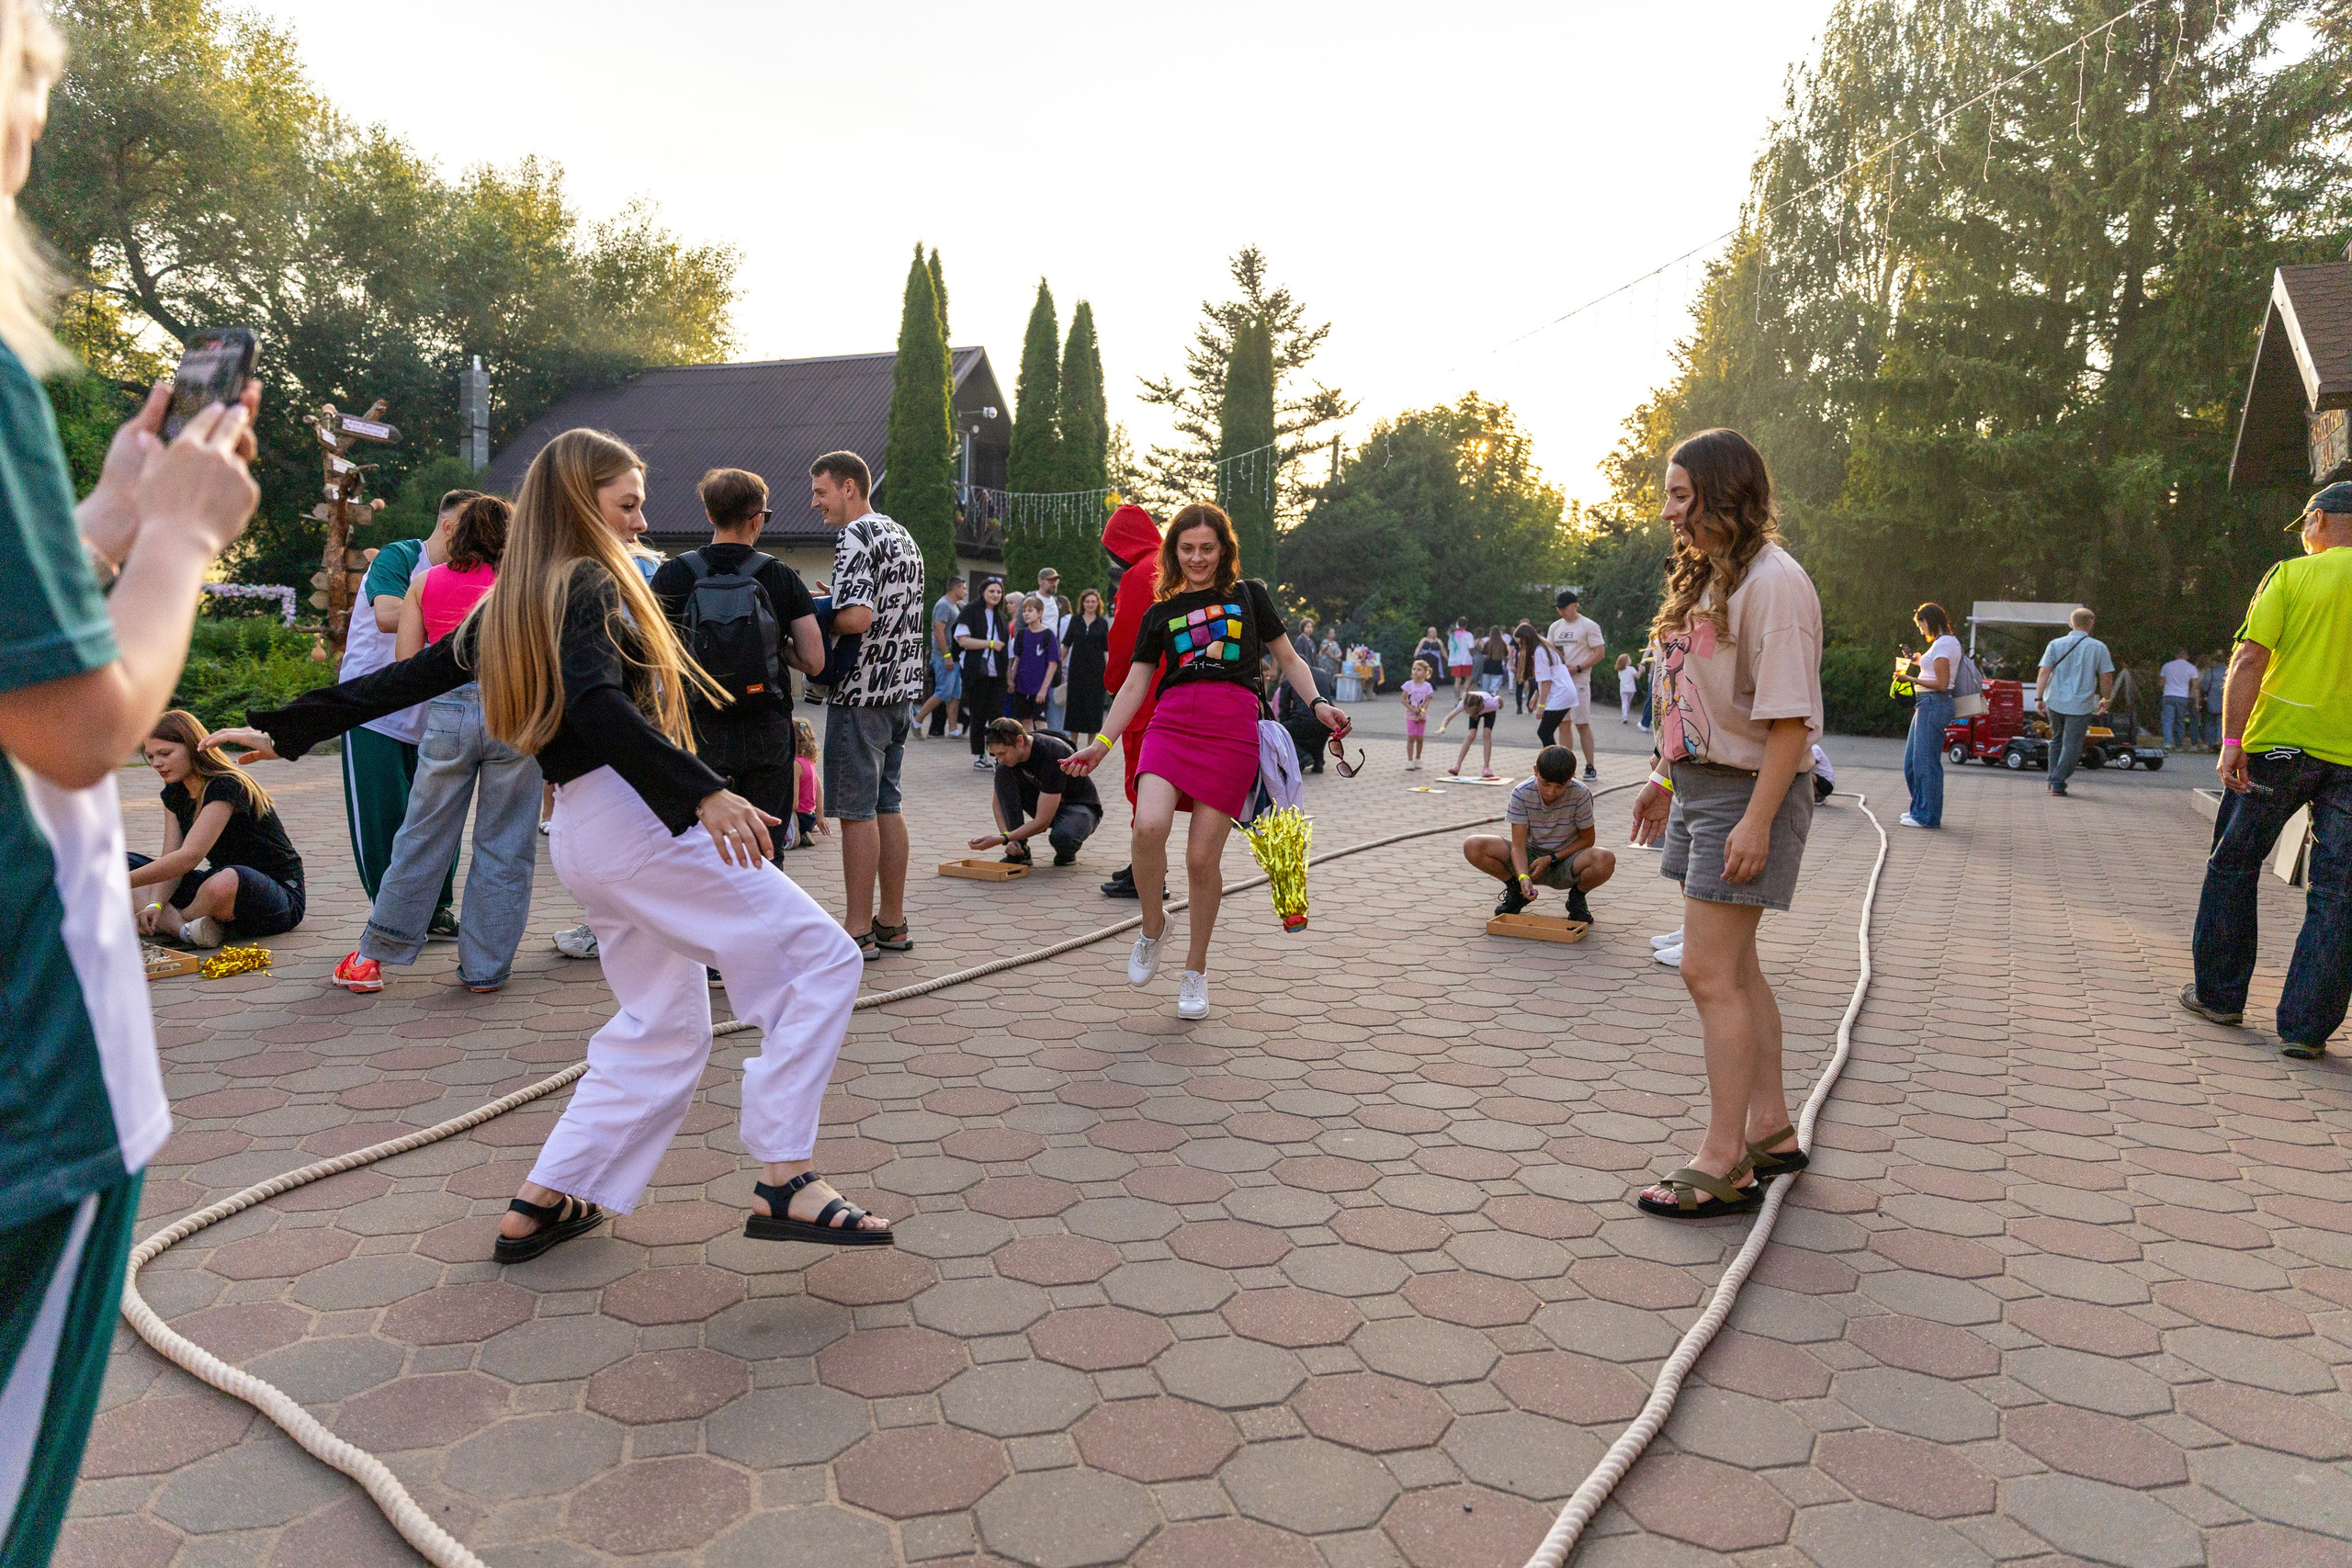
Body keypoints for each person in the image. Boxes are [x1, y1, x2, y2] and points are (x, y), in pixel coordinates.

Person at [210, 428, 890, 1263]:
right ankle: (787, 1176)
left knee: (663, 1027)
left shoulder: (523, 595)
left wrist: (285, 729)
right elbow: (598, 704)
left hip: (587, 830)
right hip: (638, 819)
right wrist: (704, 791)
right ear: (579, 502)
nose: (642, 523)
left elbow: (409, 677)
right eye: (627, 504)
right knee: (825, 961)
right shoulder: (587, 583)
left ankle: (544, 1199)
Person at [0, 5, 266, 1544]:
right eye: (30, 91)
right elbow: (84, 727)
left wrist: (96, 521)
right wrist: (178, 539)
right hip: (31, 1068)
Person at [1629, 428, 1825, 1220]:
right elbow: (1696, 695)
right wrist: (1661, 776)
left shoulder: (1775, 584)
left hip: (1749, 795)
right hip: (1703, 786)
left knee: (1707, 973)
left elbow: (1788, 722)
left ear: (1725, 492)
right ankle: (1770, 1129)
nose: (1670, 511)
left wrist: (1755, 823)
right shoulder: (1711, 574)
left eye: (1682, 495)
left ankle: (1724, 1162)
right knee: (1735, 970)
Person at [1064, 502, 1343, 1018]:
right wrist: (1100, 744)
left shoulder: (1250, 596)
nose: (1197, 558)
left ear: (1224, 550)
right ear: (1174, 551)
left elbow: (1289, 659)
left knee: (1200, 861)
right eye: (1187, 548)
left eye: (1207, 548)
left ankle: (1195, 971)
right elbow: (1135, 683)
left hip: (1231, 730)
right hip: (1171, 725)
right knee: (1147, 827)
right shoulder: (1159, 611)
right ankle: (1154, 925)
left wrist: (1319, 704)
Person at [328, 496, 537, 993]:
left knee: (419, 836)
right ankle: (485, 971)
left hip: (446, 714)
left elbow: (409, 667)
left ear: (457, 533)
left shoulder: (426, 582)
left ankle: (374, 957)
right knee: (505, 846)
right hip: (516, 712)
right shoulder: (525, 586)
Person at [2181, 481, 2352, 1060]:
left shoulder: (2291, 576)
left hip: (2276, 749)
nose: (2303, 535)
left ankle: (2221, 996)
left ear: (2322, 520)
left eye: (2305, 523)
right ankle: (2305, 1031)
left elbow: (2250, 658)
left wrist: (2232, 740)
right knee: (2340, 893)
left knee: (2234, 863)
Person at [651, 468, 821, 863]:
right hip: (767, 727)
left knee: (702, 848)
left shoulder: (673, 574)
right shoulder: (779, 575)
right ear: (757, 518)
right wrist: (777, 653)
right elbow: (814, 660)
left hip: (698, 727)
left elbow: (651, 654)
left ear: (709, 515)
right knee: (765, 847)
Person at [340, 489, 470, 940]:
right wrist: (464, 608)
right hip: (376, 710)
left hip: (437, 711)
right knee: (383, 818)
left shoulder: (467, 572)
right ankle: (390, 915)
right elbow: (389, 615)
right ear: (451, 527)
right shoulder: (399, 557)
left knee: (438, 814)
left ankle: (435, 910)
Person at [811, 450, 925, 959]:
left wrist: (815, 613)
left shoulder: (855, 535)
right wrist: (834, 600)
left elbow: (856, 618)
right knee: (888, 805)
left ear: (850, 488)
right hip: (900, 692)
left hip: (861, 693)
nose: (815, 503)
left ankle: (856, 928)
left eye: (822, 491)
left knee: (857, 813)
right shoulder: (899, 533)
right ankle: (892, 922)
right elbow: (883, 607)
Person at [130, 709, 304, 949]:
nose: (157, 763)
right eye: (150, 756)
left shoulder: (227, 785)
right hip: (215, 886)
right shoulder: (174, 793)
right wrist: (154, 904)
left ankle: (179, 924)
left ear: (192, 747)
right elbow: (171, 860)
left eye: (165, 753)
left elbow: (189, 857)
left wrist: (118, 884)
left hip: (272, 894)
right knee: (122, 863)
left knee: (225, 881)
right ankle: (188, 930)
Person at [1465, 745, 1615, 925]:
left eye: (1560, 786)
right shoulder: (1522, 792)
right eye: (1545, 784)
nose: (1551, 792)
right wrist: (1522, 877)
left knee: (1604, 858)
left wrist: (1551, 858)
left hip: (1566, 860)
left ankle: (1577, 898)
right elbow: (1518, 846)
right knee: (1473, 845)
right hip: (1529, 858)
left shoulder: (1580, 793)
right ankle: (1516, 891)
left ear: (1571, 778)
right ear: (1535, 771)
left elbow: (1587, 839)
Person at [1099, 503, 1165, 899]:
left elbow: (1124, 638)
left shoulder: (1139, 575)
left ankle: (1146, 873)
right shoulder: (1170, 563)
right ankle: (1148, 868)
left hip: (1145, 693)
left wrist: (1113, 684)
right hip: (1178, 688)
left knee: (1140, 782)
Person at [972, 717, 1102, 866]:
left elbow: (1042, 823)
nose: (999, 759)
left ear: (1020, 741)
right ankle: (1021, 851)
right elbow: (999, 802)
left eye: (1002, 753)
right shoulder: (1007, 758)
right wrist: (1008, 837)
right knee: (1003, 772)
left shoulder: (1052, 753)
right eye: (995, 755)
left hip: (1079, 806)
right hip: (1045, 800)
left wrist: (1002, 839)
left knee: (1063, 838)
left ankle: (1067, 852)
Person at [2034, 607, 2115, 797]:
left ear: (2071, 623)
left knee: (2056, 740)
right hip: (2080, 703)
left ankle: (2052, 779)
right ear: (2091, 623)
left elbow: (2043, 672)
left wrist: (2039, 698)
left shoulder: (2055, 644)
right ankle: (2057, 780)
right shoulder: (2098, 647)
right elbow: (2106, 676)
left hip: (2054, 700)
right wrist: (2106, 698)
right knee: (2072, 744)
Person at [1901, 602, 1961, 829]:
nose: (1921, 630)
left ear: (1929, 620)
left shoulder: (1944, 644)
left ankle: (1928, 817)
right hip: (1925, 704)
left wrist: (1912, 680)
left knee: (1925, 763)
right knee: (1912, 762)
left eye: (1921, 625)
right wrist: (1917, 660)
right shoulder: (1941, 643)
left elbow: (1943, 684)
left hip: (1934, 703)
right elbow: (1934, 669)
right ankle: (1919, 811)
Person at [1547, 589, 1607, 781]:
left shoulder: (1588, 625)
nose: (1561, 612)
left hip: (1579, 680)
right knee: (1563, 724)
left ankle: (1590, 766)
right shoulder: (1555, 627)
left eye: (1564, 608)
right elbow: (1550, 652)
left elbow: (1599, 652)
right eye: (1558, 608)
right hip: (1560, 682)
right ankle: (1565, 767)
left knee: (1582, 723)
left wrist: (1579, 667)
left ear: (1574, 606)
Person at [956, 577, 1010, 767]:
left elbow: (1007, 647)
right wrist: (990, 644)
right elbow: (962, 640)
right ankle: (979, 755)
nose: (995, 595)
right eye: (992, 591)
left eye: (999, 592)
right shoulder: (970, 611)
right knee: (978, 715)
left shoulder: (1002, 616)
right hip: (977, 673)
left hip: (999, 675)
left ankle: (998, 756)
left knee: (997, 716)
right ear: (983, 592)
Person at [917, 576, 967, 739]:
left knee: (955, 694)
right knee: (944, 692)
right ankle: (917, 721)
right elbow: (938, 631)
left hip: (955, 656)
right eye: (964, 588)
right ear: (955, 588)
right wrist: (946, 655)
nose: (965, 592)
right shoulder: (943, 605)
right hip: (944, 656)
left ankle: (953, 730)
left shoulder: (955, 606)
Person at [1061, 587, 1112, 737]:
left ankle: (1090, 745)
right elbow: (1066, 644)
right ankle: (1073, 744)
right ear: (1082, 603)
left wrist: (1109, 670)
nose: (1090, 604)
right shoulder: (1075, 620)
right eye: (1087, 601)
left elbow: (1106, 650)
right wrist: (1058, 663)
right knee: (1074, 707)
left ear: (1098, 604)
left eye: (1093, 601)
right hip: (1076, 671)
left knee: (1094, 708)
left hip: (1096, 672)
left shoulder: (1102, 623)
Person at [1009, 598, 1061, 731]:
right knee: (1025, 720)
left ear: (1040, 613)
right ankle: (1030, 749)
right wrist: (1011, 680)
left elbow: (1053, 664)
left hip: (1039, 687)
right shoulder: (1021, 634)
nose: (1026, 614)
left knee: (1041, 722)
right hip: (1022, 686)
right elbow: (1017, 660)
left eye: (1030, 611)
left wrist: (1043, 689)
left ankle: (1043, 749)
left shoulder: (1048, 635)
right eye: (1024, 611)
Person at [1438, 686, 1504, 778]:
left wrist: (1501, 706)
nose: (1467, 713)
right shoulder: (1463, 704)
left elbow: (1498, 698)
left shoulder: (1490, 704)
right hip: (1476, 710)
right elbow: (1449, 717)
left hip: (1488, 711)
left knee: (1487, 734)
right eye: (1466, 711)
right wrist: (1442, 728)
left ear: (1475, 708)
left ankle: (1486, 768)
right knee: (1471, 735)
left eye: (1469, 711)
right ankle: (1457, 765)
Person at [1532, 633, 1577, 751]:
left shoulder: (1540, 652)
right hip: (1566, 693)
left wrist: (1541, 706)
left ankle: (1555, 762)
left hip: (1560, 695)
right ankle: (1556, 761)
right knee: (1546, 731)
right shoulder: (1548, 649)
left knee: (1544, 732)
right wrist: (1536, 694)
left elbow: (1546, 682)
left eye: (1521, 643)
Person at [790, 716, 825, 852]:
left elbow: (794, 804)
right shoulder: (808, 761)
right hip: (810, 817)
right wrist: (819, 814)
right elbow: (819, 787)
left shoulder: (795, 765)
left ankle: (795, 833)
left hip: (798, 818)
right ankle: (805, 831)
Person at [2159, 647, 2199, 752]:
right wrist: (2197, 701)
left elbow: (2161, 683)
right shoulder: (2191, 668)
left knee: (2167, 721)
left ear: (2176, 655)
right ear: (2187, 656)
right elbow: (2195, 686)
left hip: (2168, 695)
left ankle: (2167, 743)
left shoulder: (2166, 666)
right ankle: (2178, 745)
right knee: (2180, 721)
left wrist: (2166, 689)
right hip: (2182, 696)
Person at [1401, 659, 1436, 770]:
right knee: (1411, 736)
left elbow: (1427, 700)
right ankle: (1410, 761)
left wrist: (1422, 711)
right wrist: (1411, 708)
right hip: (1410, 715)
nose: (1416, 671)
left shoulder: (1427, 687)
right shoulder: (1408, 685)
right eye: (1414, 669)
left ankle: (1418, 758)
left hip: (1421, 716)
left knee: (1420, 738)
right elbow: (1403, 699)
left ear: (1425, 673)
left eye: (1419, 670)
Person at [2200, 649, 2227, 749]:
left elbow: (2204, 686)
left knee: (2210, 722)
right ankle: (2220, 741)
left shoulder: (2210, 672)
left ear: (2215, 661)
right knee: (2221, 722)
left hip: (2212, 699)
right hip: (2224, 700)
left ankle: (2210, 743)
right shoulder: (2228, 671)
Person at [1448, 617, 1476, 696]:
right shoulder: (1468, 635)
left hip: (1455, 660)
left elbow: (1450, 647)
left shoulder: (1452, 635)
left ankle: (1457, 699)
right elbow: (1471, 648)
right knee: (1468, 678)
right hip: (1466, 660)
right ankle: (1464, 693)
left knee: (1457, 680)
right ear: (1466, 625)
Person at [1616, 653, 1638, 723]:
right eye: (1629, 658)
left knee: (1624, 702)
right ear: (1626, 661)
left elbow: (1620, 678)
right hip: (1631, 689)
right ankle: (1625, 714)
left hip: (1623, 689)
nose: (1630, 660)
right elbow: (1637, 676)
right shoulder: (1631, 669)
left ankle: (1624, 716)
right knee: (1628, 702)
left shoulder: (1620, 670)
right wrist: (1640, 670)